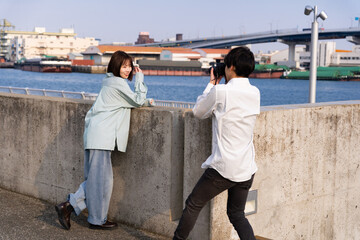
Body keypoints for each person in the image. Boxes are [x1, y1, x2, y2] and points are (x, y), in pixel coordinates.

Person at [55, 50, 153, 230]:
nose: (128, 70)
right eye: (124, 66)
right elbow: (137, 101)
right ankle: (74, 208)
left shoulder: (110, 83)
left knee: (97, 179)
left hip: (97, 134)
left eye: (130, 67)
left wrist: (146, 101)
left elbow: (128, 101)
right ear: (115, 66)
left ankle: (80, 212)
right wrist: (140, 79)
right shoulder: (117, 83)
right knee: (100, 181)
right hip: (101, 136)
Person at [173, 46, 260, 240]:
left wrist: (212, 83)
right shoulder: (255, 92)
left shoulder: (221, 92)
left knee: (193, 204)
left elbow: (198, 111)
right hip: (246, 167)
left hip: (224, 167)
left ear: (231, 67)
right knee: (237, 214)